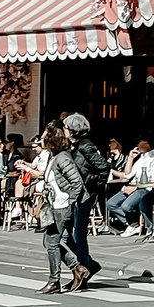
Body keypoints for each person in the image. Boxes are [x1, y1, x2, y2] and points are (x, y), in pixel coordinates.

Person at [33, 121, 89, 295]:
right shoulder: (54, 156)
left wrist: (68, 201)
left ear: (52, 138)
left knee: (52, 243)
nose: (41, 137)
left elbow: (77, 182)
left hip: (61, 206)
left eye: (45, 135)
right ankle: (77, 268)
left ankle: (54, 281)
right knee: (49, 241)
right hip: (56, 205)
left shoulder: (63, 157)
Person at [64, 113, 110, 285]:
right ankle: (87, 265)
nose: (64, 130)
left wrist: (93, 187)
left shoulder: (85, 146)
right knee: (70, 234)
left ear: (73, 130)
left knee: (79, 235)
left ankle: (84, 269)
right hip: (79, 194)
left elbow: (103, 167)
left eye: (66, 128)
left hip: (85, 195)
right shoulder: (75, 146)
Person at [105, 139, 154, 237]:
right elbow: (127, 174)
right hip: (133, 185)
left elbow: (153, 178)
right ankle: (133, 223)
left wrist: (135, 187)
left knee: (126, 206)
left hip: (145, 188)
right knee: (111, 203)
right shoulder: (140, 158)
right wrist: (130, 158)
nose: (140, 145)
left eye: (142, 142)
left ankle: (136, 224)